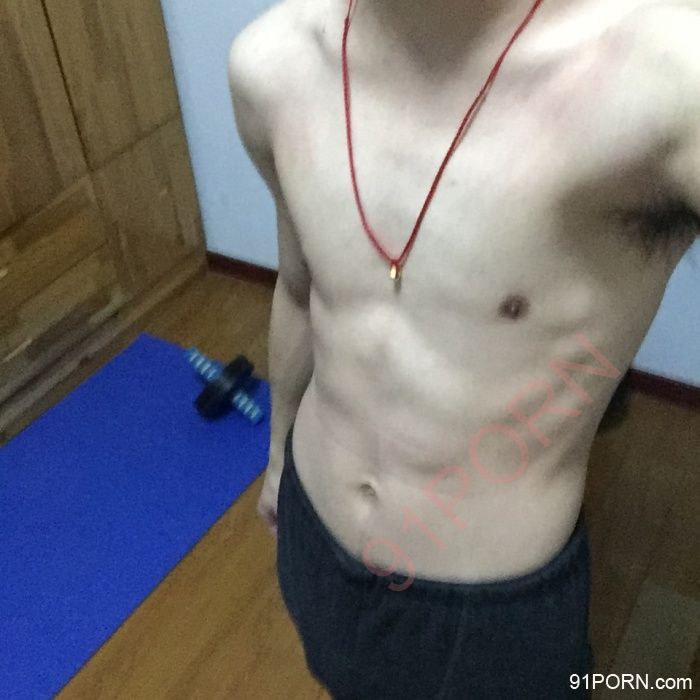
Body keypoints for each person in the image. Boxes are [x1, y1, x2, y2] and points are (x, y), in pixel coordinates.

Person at [229, 1, 699, 697]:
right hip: (313, 534)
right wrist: (275, 460)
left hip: (488, 610)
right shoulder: (271, 63)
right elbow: (301, 292)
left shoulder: (669, 76)